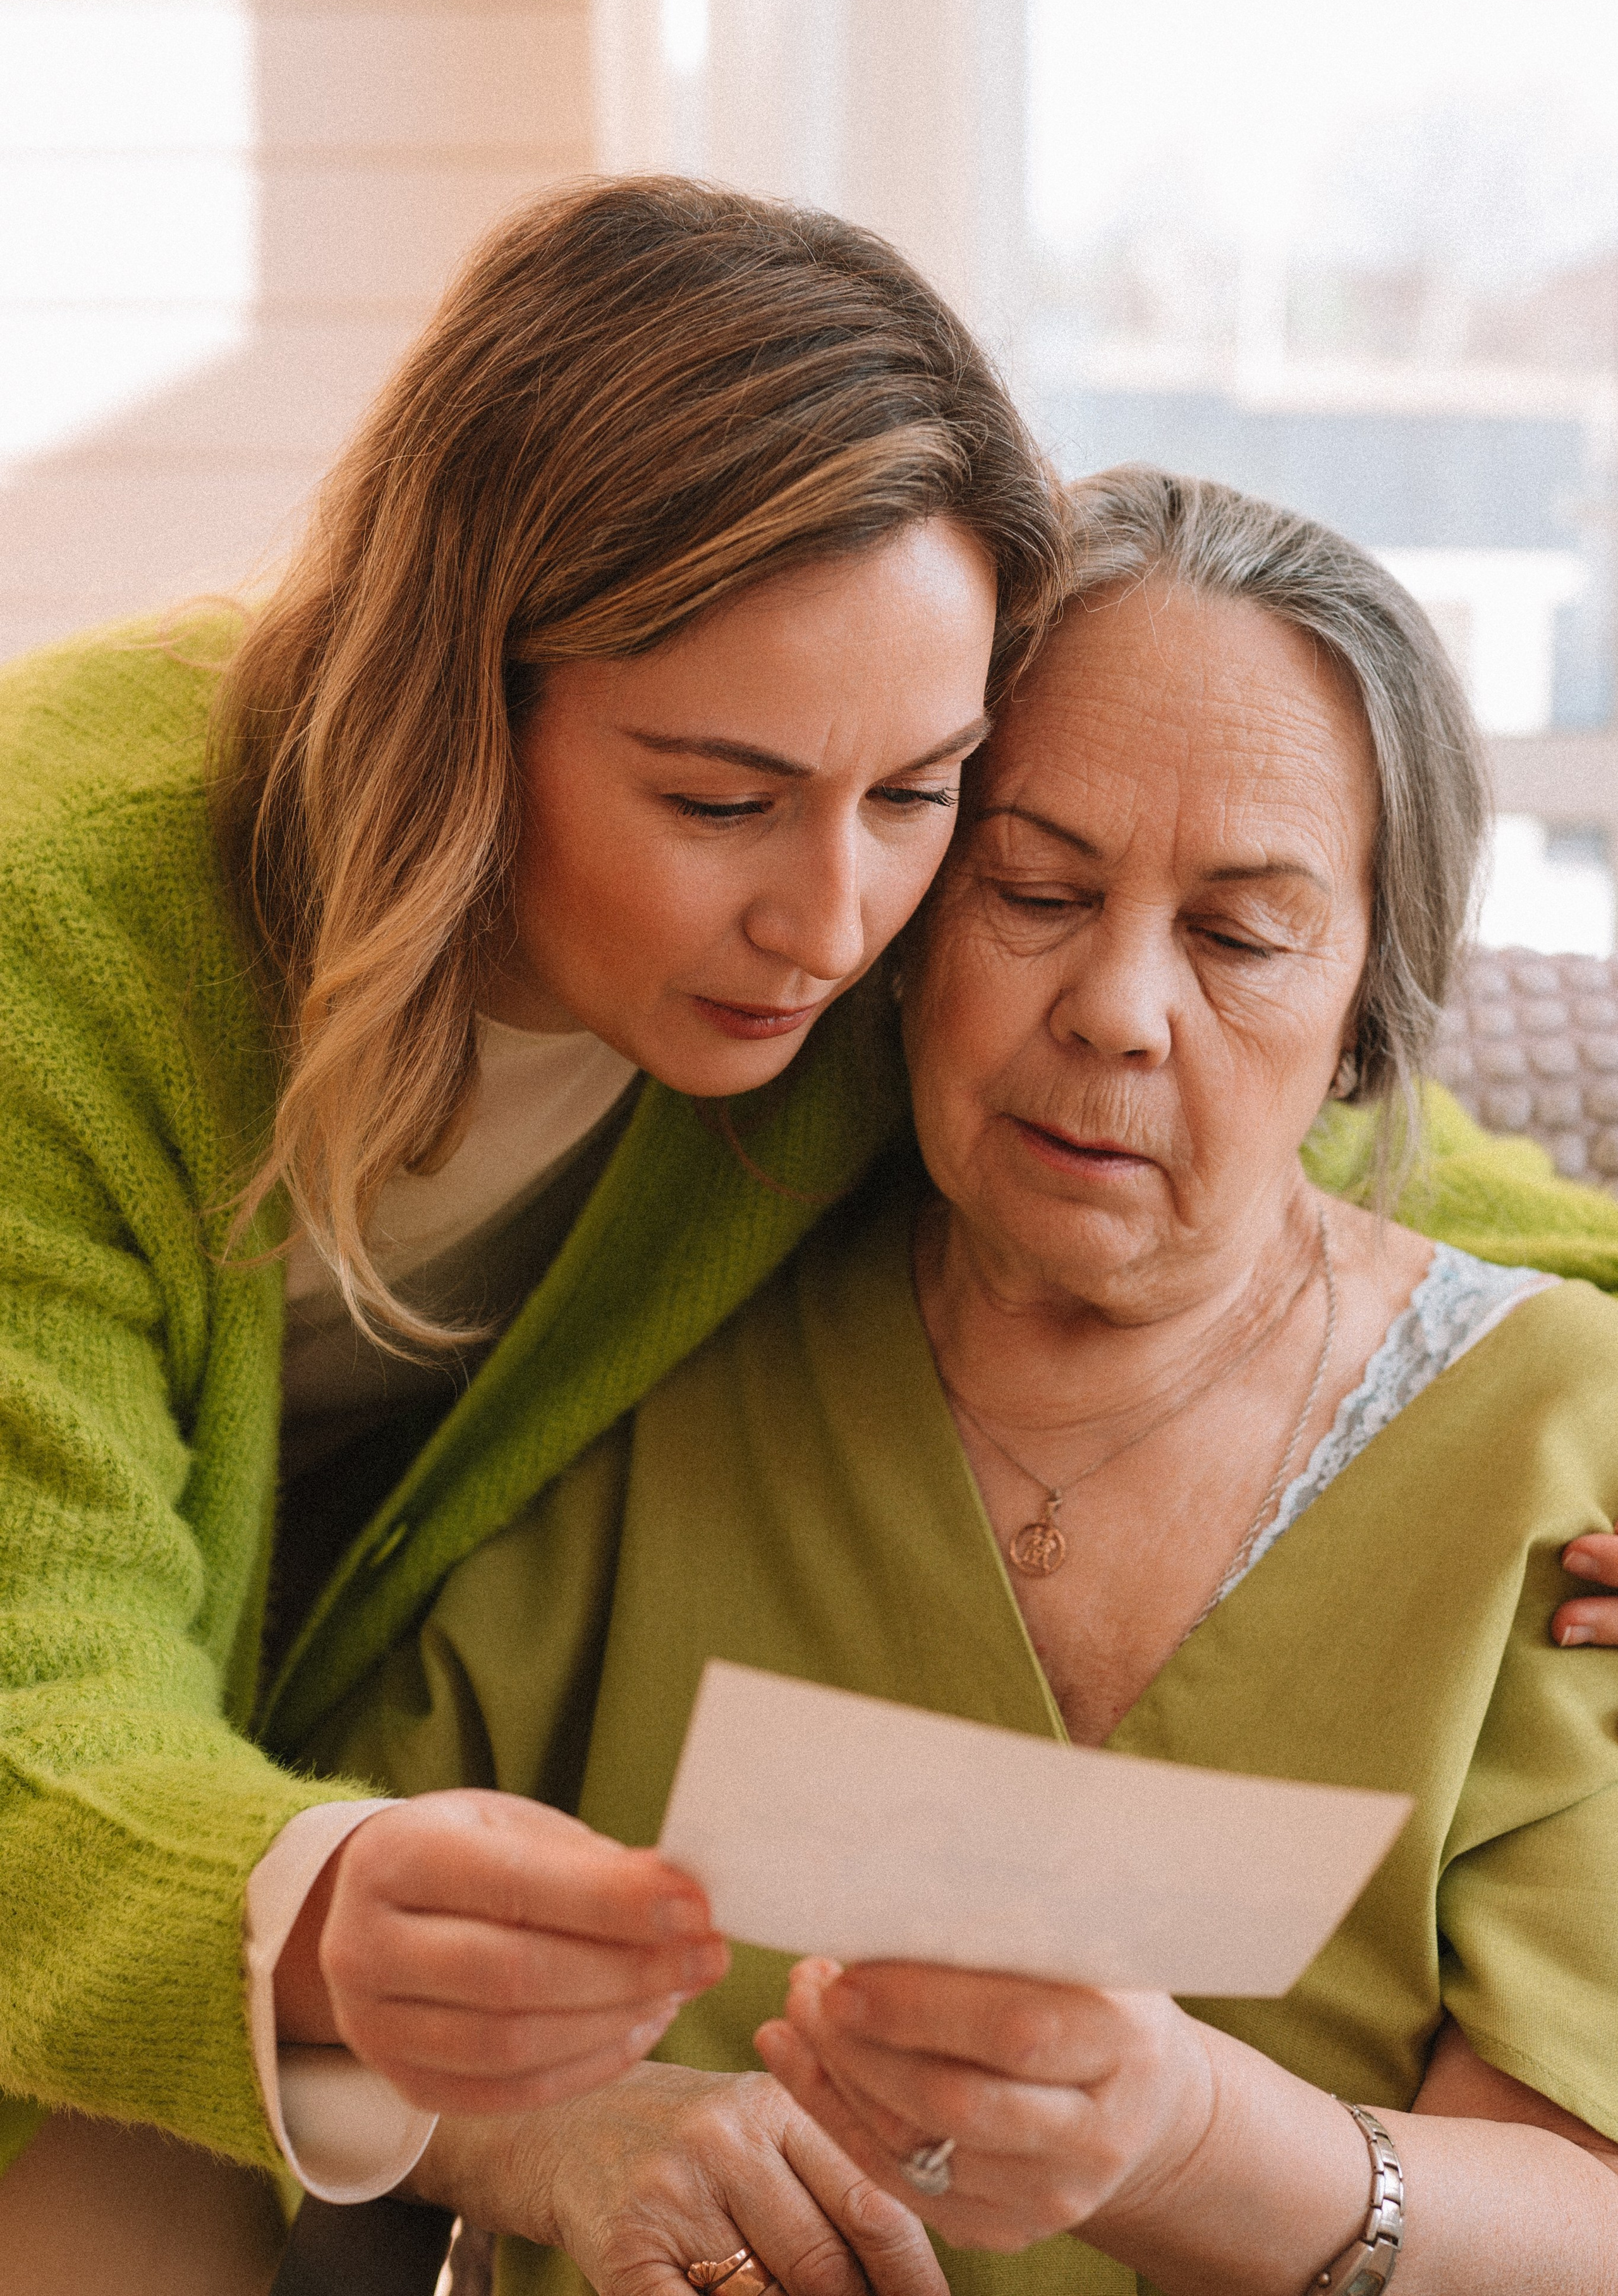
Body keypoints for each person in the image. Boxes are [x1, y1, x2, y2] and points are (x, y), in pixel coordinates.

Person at [319, 468, 1618, 2295]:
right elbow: (322, 1948)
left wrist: (1185, 2143)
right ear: (907, 920)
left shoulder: (1553, 1431)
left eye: (1242, 938)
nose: (1118, 1008)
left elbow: (1575, 2202)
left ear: (1365, 1022)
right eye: (1034, 887)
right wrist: (553, 2143)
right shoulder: (671, 1328)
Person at [0, 174, 1070, 2287]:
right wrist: (314, 1904)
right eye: (716, 798)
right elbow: (31, 1667)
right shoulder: (65, 910)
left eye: (921, 789)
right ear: (459, 699)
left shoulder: (863, 957)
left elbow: (1266, 1118)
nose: (835, 920)